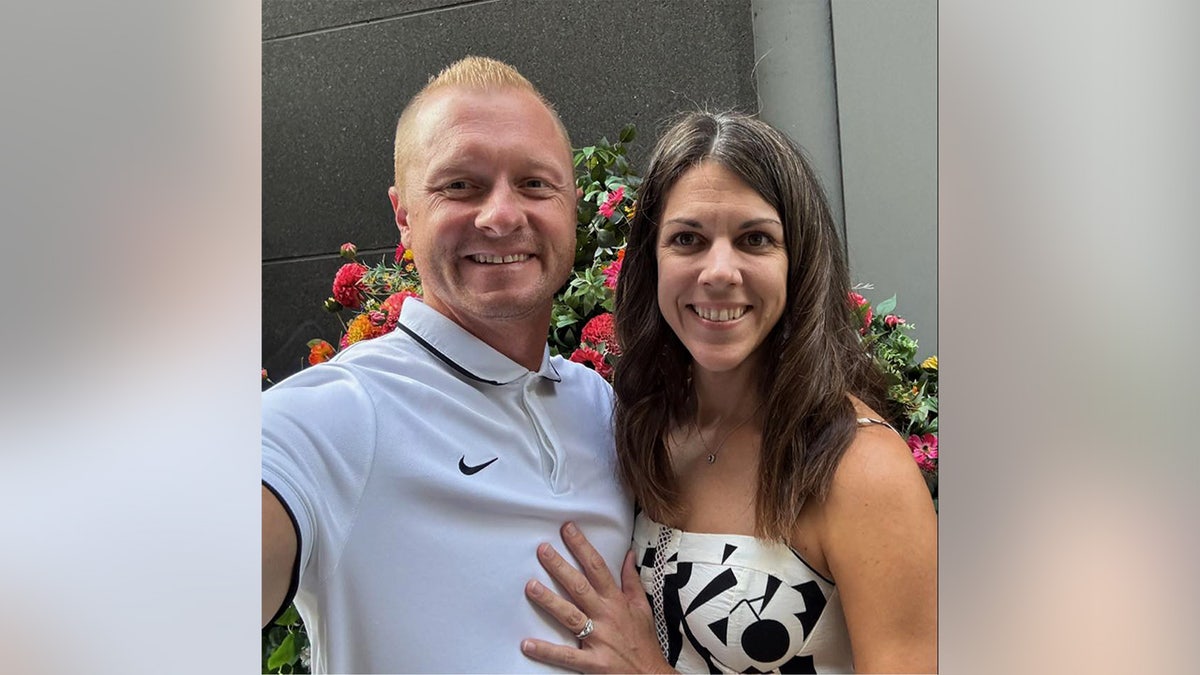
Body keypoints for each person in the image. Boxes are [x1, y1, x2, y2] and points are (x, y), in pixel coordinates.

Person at [519, 111, 938, 673]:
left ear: (798, 262)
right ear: (652, 261)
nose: (719, 272)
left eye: (755, 239)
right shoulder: (645, 426)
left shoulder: (860, 466)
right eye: (687, 239)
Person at [261, 56, 634, 673]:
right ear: (404, 216)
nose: (502, 215)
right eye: (460, 185)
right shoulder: (342, 414)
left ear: (572, 205)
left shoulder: (602, 406)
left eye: (535, 184)